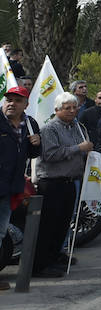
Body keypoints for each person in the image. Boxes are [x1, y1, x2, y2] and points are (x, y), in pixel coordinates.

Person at [32, 92, 93, 277]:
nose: (72, 111)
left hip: (70, 181)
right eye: (67, 108)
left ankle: (55, 256)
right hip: (52, 182)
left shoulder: (76, 126)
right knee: (48, 225)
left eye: (75, 107)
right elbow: (50, 154)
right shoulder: (50, 129)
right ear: (57, 110)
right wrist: (78, 149)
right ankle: (40, 265)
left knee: (63, 224)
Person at [0, 85, 41, 291]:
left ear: (26, 104)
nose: (11, 104)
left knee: (0, 233)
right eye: (8, 99)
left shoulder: (30, 123)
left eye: (17, 101)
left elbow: (33, 154)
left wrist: (36, 143)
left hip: (11, 188)